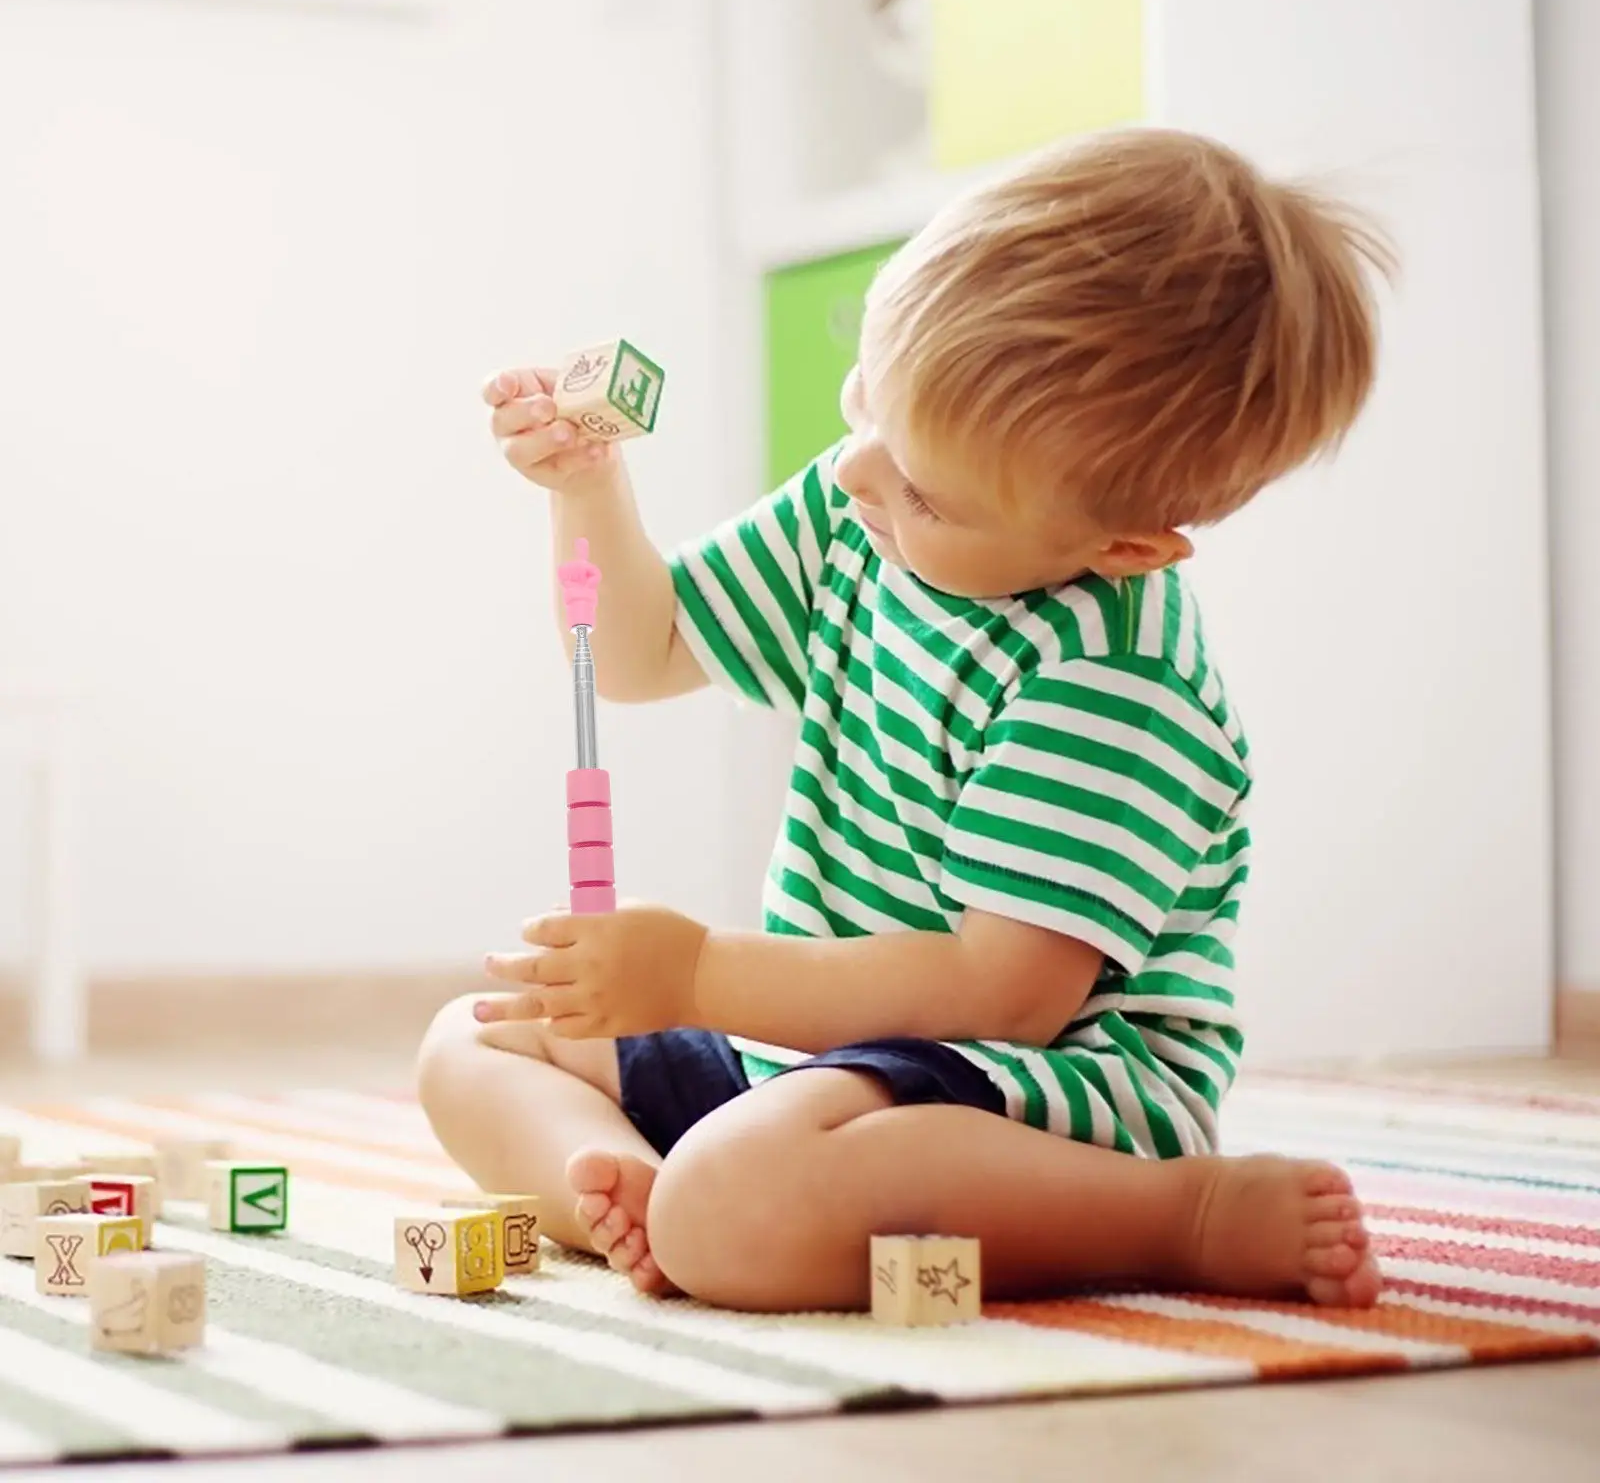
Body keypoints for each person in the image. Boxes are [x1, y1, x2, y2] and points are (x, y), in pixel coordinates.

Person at [419, 128, 1390, 1313]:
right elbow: (644, 648)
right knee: (476, 1036)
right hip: (819, 1065)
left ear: (1122, 546)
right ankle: (642, 1196)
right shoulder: (868, 505)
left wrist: (701, 971)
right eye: (865, 397)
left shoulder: (1112, 679)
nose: (857, 476)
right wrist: (586, 489)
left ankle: (1181, 1212)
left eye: (924, 489)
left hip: (1039, 1094)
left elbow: (1000, 996)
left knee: (744, 1189)